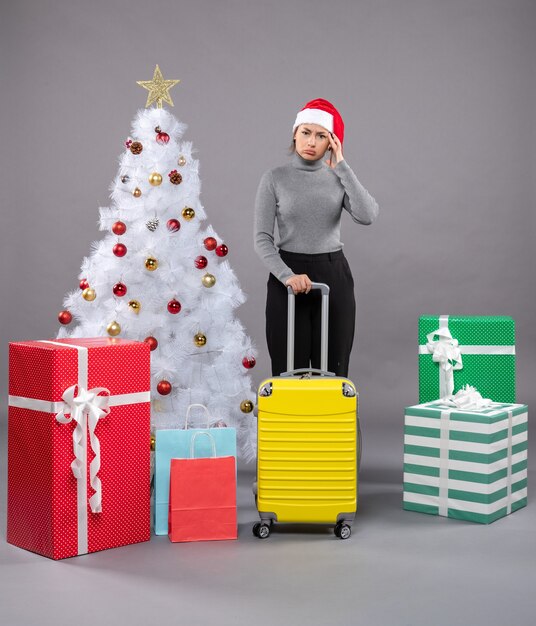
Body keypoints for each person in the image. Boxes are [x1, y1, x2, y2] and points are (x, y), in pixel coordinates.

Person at [254, 98, 379, 377]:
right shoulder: (274, 178)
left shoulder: (338, 178)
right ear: (295, 134)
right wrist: (287, 276)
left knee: (333, 369)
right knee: (289, 370)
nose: (311, 141)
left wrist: (342, 166)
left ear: (331, 143)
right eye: (306, 132)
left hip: (333, 274)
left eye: (321, 135)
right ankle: (290, 421)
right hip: (288, 277)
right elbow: (262, 239)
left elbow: (367, 214)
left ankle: (331, 420)